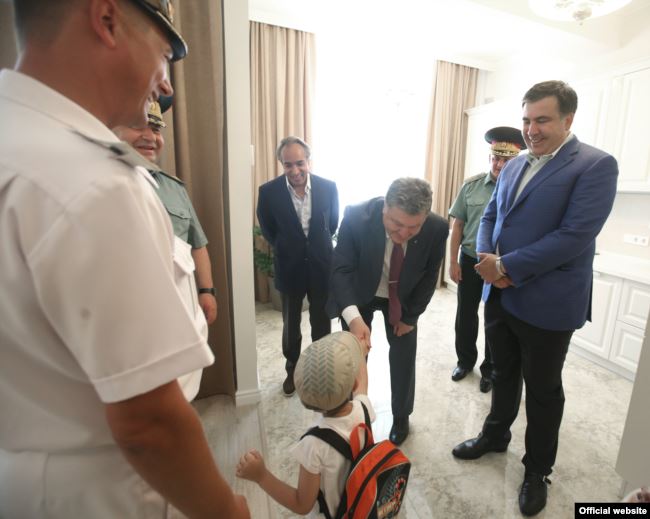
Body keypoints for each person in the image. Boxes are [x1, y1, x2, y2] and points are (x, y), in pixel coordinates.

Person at [0, 1, 248, 517]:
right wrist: (228, 511)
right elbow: (148, 424)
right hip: (98, 494)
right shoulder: (94, 183)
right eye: (163, 54)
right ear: (107, 20)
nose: (165, 84)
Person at [452, 80, 618, 517]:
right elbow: (492, 215)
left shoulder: (595, 165)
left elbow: (574, 237)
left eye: (542, 120)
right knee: (503, 372)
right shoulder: (513, 165)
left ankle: (537, 470)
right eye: (527, 119)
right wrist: (487, 260)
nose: (531, 129)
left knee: (543, 390)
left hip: (548, 302)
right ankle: (495, 436)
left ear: (568, 119)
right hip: (499, 296)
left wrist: (506, 267)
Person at [326, 178, 449, 445]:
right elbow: (341, 270)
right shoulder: (356, 216)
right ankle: (352, 413)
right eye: (396, 224)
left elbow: (430, 275)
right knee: (354, 356)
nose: (403, 234)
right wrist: (354, 319)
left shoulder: (437, 228)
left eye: (413, 227)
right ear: (385, 208)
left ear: (425, 217)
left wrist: (410, 317)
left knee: (404, 356)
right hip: (362, 294)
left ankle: (401, 415)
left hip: (403, 299)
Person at [236, 331, 374, 518]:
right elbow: (363, 381)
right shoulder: (363, 408)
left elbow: (301, 504)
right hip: (364, 507)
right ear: (354, 384)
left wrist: (261, 476)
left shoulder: (314, 445)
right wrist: (360, 353)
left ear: (307, 402)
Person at [114, 96, 218, 326]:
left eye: (155, 129)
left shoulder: (174, 188)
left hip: (180, 304)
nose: (150, 137)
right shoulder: (101, 186)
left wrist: (207, 290)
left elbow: (197, 244)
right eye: (137, 126)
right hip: (127, 312)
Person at [256, 136, 339, 397]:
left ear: (308, 161)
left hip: (321, 266)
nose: (295, 171)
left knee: (321, 321)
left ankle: (319, 368)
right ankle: (291, 368)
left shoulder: (328, 188)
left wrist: (314, 248)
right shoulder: (268, 192)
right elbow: (268, 230)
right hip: (289, 267)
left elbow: (332, 224)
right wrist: (287, 246)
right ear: (282, 164)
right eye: (288, 164)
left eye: (300, 163)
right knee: (290, 324)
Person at [448, 126, 526, 393]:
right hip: (471, 260)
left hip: (503, 265)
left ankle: (490, 370)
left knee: (496, 320)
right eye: (496, 158)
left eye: (506, 160)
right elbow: (458, 226)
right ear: (490, 158)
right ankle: (464, 361)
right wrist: (453, 262)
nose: (500, 165)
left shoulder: (523, 190)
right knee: (466, 315)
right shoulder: (471, 186)